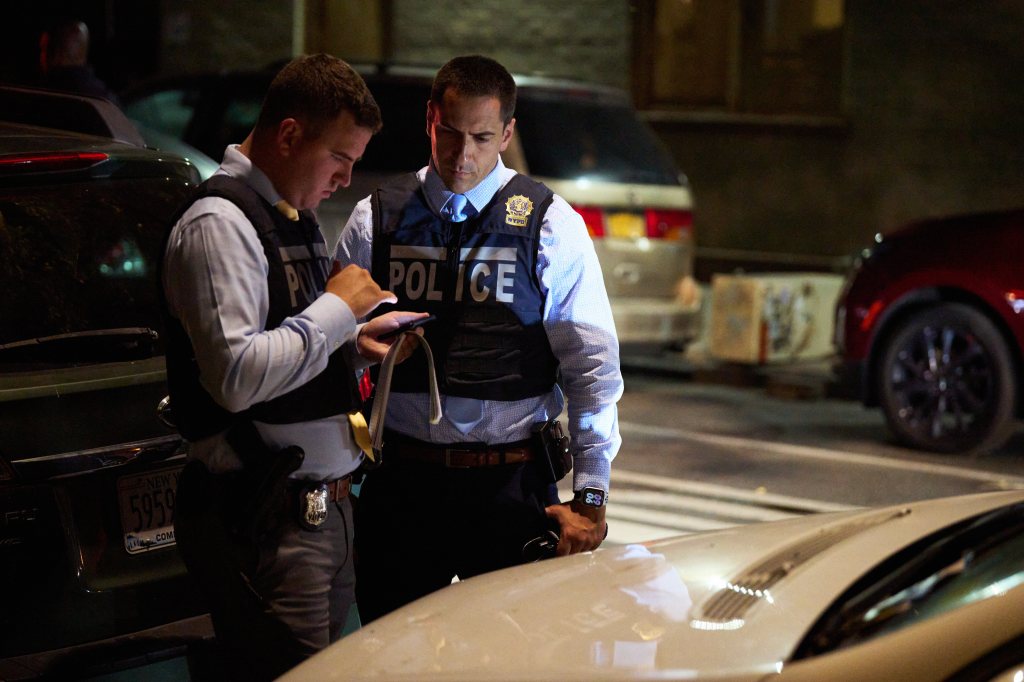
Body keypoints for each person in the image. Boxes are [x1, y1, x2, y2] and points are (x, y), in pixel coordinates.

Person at [161, 54, 426, 680]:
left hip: (317, 514)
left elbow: (283, 344)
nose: (346, 179)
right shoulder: (219, 224)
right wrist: (337, 311)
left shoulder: (288, 218)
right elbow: (236, 377)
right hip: (270, 518)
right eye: (340, 158)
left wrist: (354, 341)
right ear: (288, 135)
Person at [335, 54, 623, 623]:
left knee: (511, 659)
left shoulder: (549, 223)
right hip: (403, 484)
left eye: (482, 137)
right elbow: (328, 349)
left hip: (510, 485)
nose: (463, 156)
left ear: (507, 133)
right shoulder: (377, 219)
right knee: (391, 659)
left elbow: (591, 366)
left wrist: (591, 496)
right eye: (451, 134)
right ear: (429, 121)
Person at [38, 19, 120, 105]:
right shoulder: (106, 100)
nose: (41, 57)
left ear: (56, 53)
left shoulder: (40, 96)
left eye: (43, 49)